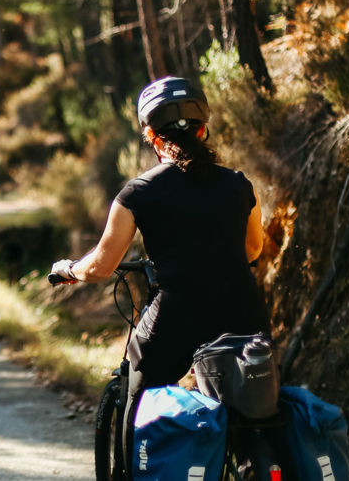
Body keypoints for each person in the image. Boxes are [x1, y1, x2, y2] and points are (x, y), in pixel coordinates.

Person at [50, 76, 271, 472]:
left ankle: (130, 471)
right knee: (251, 415)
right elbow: (253, 249)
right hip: (244, 315)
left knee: (138, 396)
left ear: (151, 136)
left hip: (176, 319)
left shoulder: (138, 192)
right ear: (203, 130)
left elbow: (102, 265)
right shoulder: (239, 185)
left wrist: (69, 269)